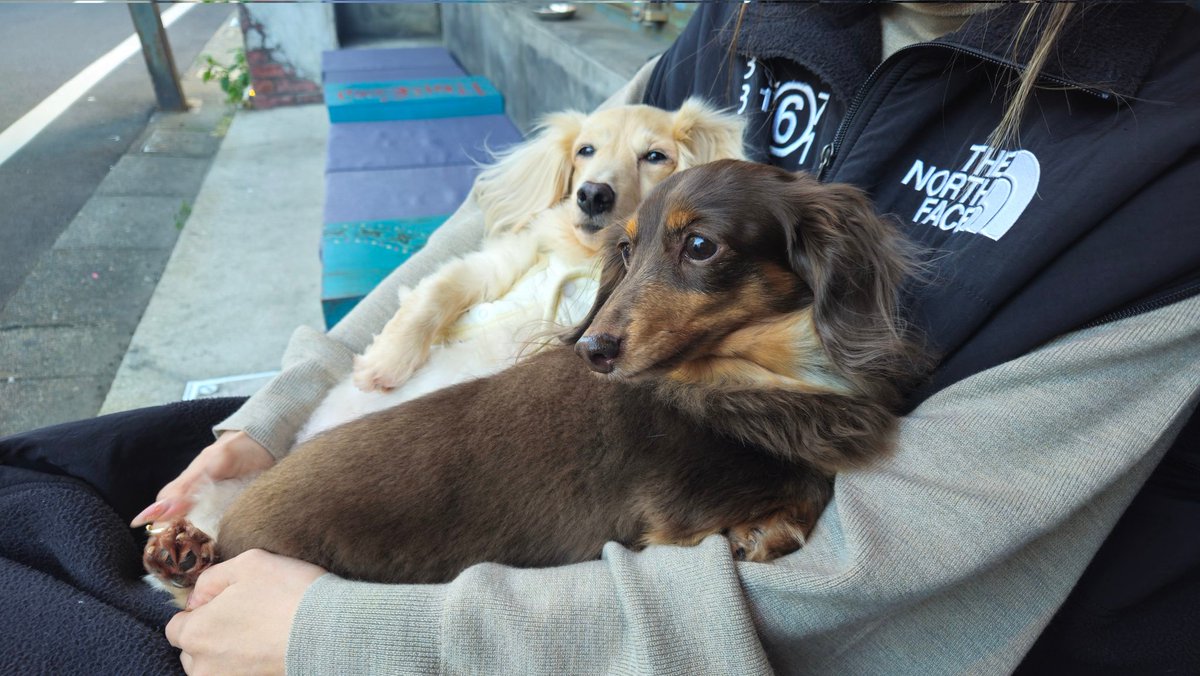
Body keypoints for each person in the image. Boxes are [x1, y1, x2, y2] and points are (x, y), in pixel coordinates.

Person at [2, 3, 1197, 673]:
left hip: (673, 603)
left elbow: (874, 594)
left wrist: (343, 637)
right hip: (532, 462)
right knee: (46, 492)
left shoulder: (1164, 165)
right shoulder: (754, 20)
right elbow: (497, 227)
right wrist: (275, 422)